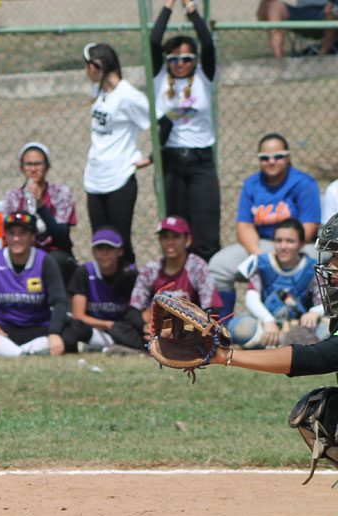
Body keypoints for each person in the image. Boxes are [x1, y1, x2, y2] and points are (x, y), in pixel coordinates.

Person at [208, 133, 322, 317]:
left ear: (288, 157)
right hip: (263, 244)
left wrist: (287, 250)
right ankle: (223, 327)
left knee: (322, 263)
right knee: (219, 266)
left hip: (299, 245)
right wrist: (259, 255)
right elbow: (244, 226)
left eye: (278, 156)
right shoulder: (252, 184)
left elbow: (308, 229)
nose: (271, 161)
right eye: (264, 158)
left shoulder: (303, 183)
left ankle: (316, 317)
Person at [151, 0, 221, 262]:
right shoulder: (159, 78)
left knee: (206, 233)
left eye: (187, 58)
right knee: (176, 230)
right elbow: (154, 40)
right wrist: (168, 6)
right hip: (172, 162)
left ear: (196, 60)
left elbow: (208, 42)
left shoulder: (205, 77)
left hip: (201, 161)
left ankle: (208, 294)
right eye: (175, 59)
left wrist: (190, 8)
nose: (181, 64)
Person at [0, 211, 69, 357]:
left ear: (33, 237)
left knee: (74, 329)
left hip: (38, 328)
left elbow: (60, 301)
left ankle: (2, 350)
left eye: (23, 233)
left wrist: (54, 333)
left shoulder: (45, 261)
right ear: (5, 237)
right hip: (3, 330)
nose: (16, 238)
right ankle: (25, 353)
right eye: (11, 233)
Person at [82, 42, 151, 267]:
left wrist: (151, 158)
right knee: (101, 244)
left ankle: (130, 294)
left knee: (119, 244)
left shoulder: (128, 95)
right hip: (95, 179)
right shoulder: (99, 90)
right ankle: (105, 299)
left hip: (119, 179)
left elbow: (161, 121)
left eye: (86, 66)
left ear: (95, 67)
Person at [227, 219, 323, 348]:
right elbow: (251, 299)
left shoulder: (313, 268)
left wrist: (315, 312)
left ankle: (281, 345)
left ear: (301, 244)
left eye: (290, 241)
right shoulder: (261, 263)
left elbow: (325, 303)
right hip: (267, 326)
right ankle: (288, 345)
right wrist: (268, 321)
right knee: (239, 327)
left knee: (328, 328)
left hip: (302, 326)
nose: (283, 246)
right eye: (278, 240)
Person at [131, 216, 219, 342]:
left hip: (190, 325)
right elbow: (134, 308)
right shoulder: (152, 268)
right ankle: (157, 342)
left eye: (175, 237)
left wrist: (177, 329)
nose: (169, 242)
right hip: (157, 326)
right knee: (120, 329)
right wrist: (145, 326)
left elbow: (211, 310)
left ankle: (164, 343)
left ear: (187, 240)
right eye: (165, 237)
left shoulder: (197, 266)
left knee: (202, 332)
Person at [61, 227, 145, 353]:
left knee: (130, 329)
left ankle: (112, 346)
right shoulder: (85, 272)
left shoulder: (129, 274)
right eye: (100, 248)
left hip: (123, 328)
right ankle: (112, 346)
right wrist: (107, 324)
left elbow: (140, 311)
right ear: (93, 251)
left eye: (110, 248)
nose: (104, 253)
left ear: (120, 251)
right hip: (96, 328)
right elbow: (78, 315)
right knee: (73, 329)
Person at [4, 142, 77, 285]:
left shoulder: (61, 192)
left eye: (38, 164)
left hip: (55, 251)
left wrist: (42, 207)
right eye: (28, 164)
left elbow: (62, 236)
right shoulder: (14, 196)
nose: (33, 169)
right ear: (22, 168)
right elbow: (9, 232)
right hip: (23, 250)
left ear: (47, 166)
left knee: (52, 261)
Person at [256, 0, 337, 59]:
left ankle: (323, 54)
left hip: (326, 11)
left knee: (332, 10)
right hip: (302, 12)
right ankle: (278, 61)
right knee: (271, 5)